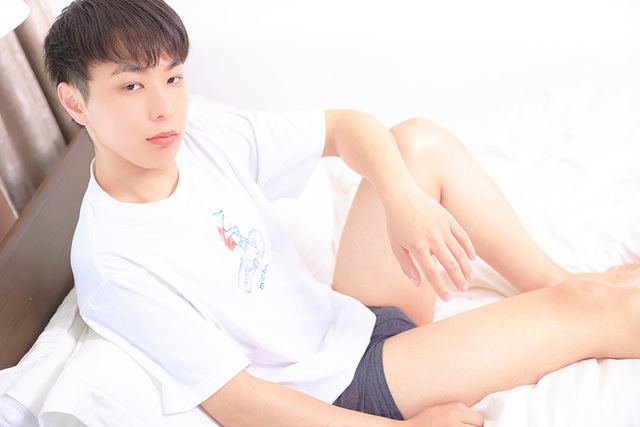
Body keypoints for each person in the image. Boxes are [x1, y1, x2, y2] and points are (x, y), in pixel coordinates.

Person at [44, 0, 640, 425]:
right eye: (131, 86)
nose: (164, 109)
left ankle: (554, 277)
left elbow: (346, 127)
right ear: (75, 102)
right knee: (591, 308)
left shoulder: (201, 137)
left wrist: (402, 200)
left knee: (414, 142)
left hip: (351, 322)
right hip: (344, 390)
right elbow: (239, 403)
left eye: (172, 77)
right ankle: (576, 294)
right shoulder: (114, 261)